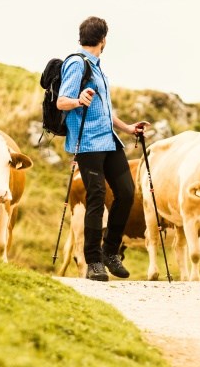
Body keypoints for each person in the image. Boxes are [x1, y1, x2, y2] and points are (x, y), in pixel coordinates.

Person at [56, 16, 150, 282]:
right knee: (96, 198)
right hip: (87, 144)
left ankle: (110, 251)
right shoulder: (77, 63)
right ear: (104, 40)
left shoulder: (98, 69)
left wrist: (129, 128)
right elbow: (61, 102)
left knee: (126, 192)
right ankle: (93, 261)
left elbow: (105, 112)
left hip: (109, 141)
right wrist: (78, 100)